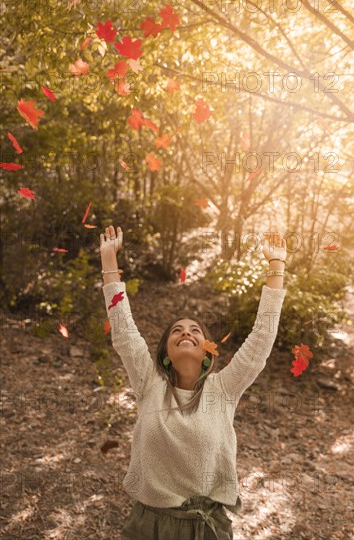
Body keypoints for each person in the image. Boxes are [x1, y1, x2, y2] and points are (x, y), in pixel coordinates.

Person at [99, 225, 287, 540]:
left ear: (206, 352)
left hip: (207, 529)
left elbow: (262, 338)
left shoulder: (224, 389)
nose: (186, 332)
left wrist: (276, 266)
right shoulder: (150, 383)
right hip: (149, 526)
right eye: (177, 330)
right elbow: (124, 331)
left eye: (195, 330)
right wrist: (108, 265)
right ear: (167, 354)